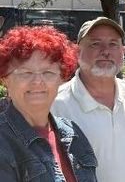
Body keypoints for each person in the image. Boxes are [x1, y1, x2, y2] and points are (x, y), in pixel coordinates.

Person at [52, 17, 125, 182]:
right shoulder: (57, 103)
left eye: (113, 44)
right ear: (77, 51)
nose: (106, 51)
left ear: (122, 51)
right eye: (95, 44)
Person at [0, 26, 97, 181]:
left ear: (62, 78)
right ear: (5, 78)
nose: (38, 82)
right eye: (26, 73)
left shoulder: (73, 133)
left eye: (48, 73)